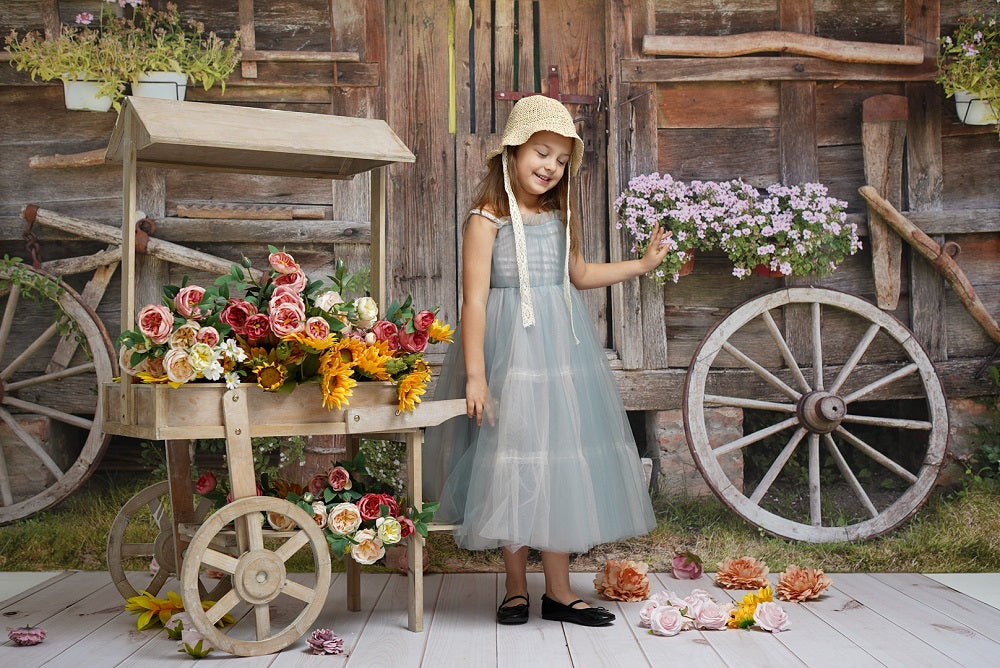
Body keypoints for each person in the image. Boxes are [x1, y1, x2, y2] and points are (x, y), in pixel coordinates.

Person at [423, 95, 668, 628]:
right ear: (514, 150)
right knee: (510, 455)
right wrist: (475, 375)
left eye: (560, 160)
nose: (550, 167)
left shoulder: (561, 213)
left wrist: (642, 265)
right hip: (508, 351)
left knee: (558, 457)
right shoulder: (486, 219)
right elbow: (476, 300)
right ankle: (515, 588)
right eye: (542, 152)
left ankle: (559, 591)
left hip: (561, 353)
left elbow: (578, 275)